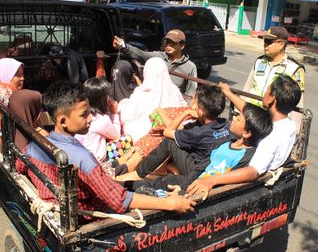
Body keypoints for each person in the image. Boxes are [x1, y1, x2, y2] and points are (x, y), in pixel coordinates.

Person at [15, 82, 195, 217]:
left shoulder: (35, 146)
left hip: (59, 206)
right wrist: (170, 204)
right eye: (84, 114)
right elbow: (119, 200)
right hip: (87, 215)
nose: (90, 119)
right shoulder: (82, 158)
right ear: (63, 121)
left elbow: (20, 166)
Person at [187, 75, 301, 200]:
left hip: (237, 173)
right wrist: (228, 93)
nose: (264, 94)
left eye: (267, 91)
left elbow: (253, 171)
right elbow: (250, 112)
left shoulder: (269, 137)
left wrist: (211, 180)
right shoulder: (288, 125)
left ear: (272, 98)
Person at [127, 100, 272, 193]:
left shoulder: (246, 156)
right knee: (165, 182)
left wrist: (184, 190)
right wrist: (184, 186)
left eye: (238, 119)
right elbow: (202, 165)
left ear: (247, 133)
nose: (233, 119)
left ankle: (129, 185)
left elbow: (227, 182)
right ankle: (126, 185)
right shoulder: (227, 141)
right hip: (196, 179)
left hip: (205, 189)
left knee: (166, 182)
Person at [118, 84, 230, 182]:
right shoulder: (225, 123)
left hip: (197, 171)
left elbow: (167, 132)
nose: (192, 102)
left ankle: (138, 174)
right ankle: (165, 168)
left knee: (168, 143)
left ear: (199, 110)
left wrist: (185, 112)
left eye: (194, 99)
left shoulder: (197, 133)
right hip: (210, 166)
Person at [243, 26, 305, 130]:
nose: (265, 45)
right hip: (252, 116)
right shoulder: (259, 62)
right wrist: (238, 113)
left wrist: (296, 130)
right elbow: (247, 88)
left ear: (281, 44)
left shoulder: (294, 68)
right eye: (264, 41)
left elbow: (298, 103)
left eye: (269, 42)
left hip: (274, 123)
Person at [78, 77, 142, 176]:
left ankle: (120, 162)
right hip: (97, 163)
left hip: (84, 159)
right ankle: (125, 167)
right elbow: (116, 134)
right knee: (126, 139)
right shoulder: (100, 119)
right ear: (102, 99)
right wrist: (114, 113)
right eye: (108, 96)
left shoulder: (82, 114)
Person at [112, 29, 198, 98]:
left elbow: (190, 94)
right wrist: (124, 47)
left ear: (182, 45)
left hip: (173, 106)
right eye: (167, 42)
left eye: (173, 43)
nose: (168, 45)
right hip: (151, 102)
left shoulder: (190, 67)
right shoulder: (158, 56)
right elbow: (141, 54)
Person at [117, 57, 187, 142]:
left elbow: (127, 114)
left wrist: (122, 104)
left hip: (142, 138)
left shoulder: (141, 91)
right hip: (170, 135)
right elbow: (183, 108)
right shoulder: (174, 89)